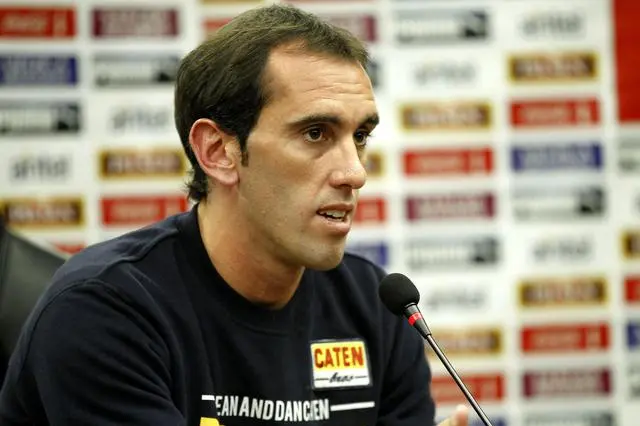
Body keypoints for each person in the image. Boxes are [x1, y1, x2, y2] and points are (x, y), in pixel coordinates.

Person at [0, 4, 470, 426]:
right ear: (219, 152)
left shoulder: (379, 310)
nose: (354, 172)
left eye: (360, 136)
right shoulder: (103, 311)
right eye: (314, 133)